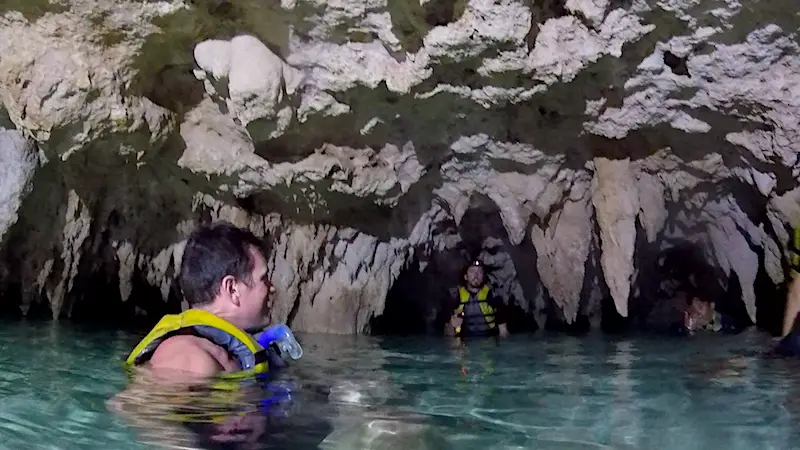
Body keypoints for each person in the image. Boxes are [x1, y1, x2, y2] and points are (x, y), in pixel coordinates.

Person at [444, 260, 510, 339]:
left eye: (479, 272)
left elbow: (504, 332)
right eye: (472, 272)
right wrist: (453, 325)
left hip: (489, 341)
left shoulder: (494, 297)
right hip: (465, 343)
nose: (476, 275)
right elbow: (448, 335)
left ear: (483, 276)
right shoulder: (455, 298)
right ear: (466, 276)